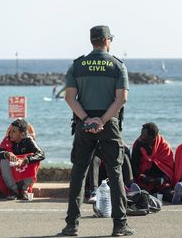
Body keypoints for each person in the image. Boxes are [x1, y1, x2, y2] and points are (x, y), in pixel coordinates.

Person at [62, 25, 134, 236]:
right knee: (115, 172)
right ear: (107, 41)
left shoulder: (77, 65)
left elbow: (69, 98)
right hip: (108, 122)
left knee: (78, 174)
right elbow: (121, 99)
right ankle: (120, 225)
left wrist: (87, 119)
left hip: (83, 123)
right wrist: (101, 121)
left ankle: (71, 225)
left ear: (92, 41)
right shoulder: (117, 66)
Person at [0, 118, 45, 200]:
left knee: (33, 158)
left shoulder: (28, 140)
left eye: (14, 131)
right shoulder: (7, 140)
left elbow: (41, 154)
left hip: (24, 174)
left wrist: (26, 160)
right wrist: (6, 154)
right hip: (13, 178)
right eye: (10, 131)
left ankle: (25, 190)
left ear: (22, 134)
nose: (10, 133)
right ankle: (14, 191)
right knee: (3, 160)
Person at [131, 123, 174, 202]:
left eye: (144, 135)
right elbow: (134, 165)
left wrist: (163, 179)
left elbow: (169, 168)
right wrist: (142, 177)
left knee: (167, 191)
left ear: (152, 137)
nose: (141, 137)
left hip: (159, 178)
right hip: (144, 178)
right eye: (141, 133)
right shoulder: (137, 144)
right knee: (141, 192)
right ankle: (148, 195)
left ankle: (175, 195)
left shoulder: (164, 146)